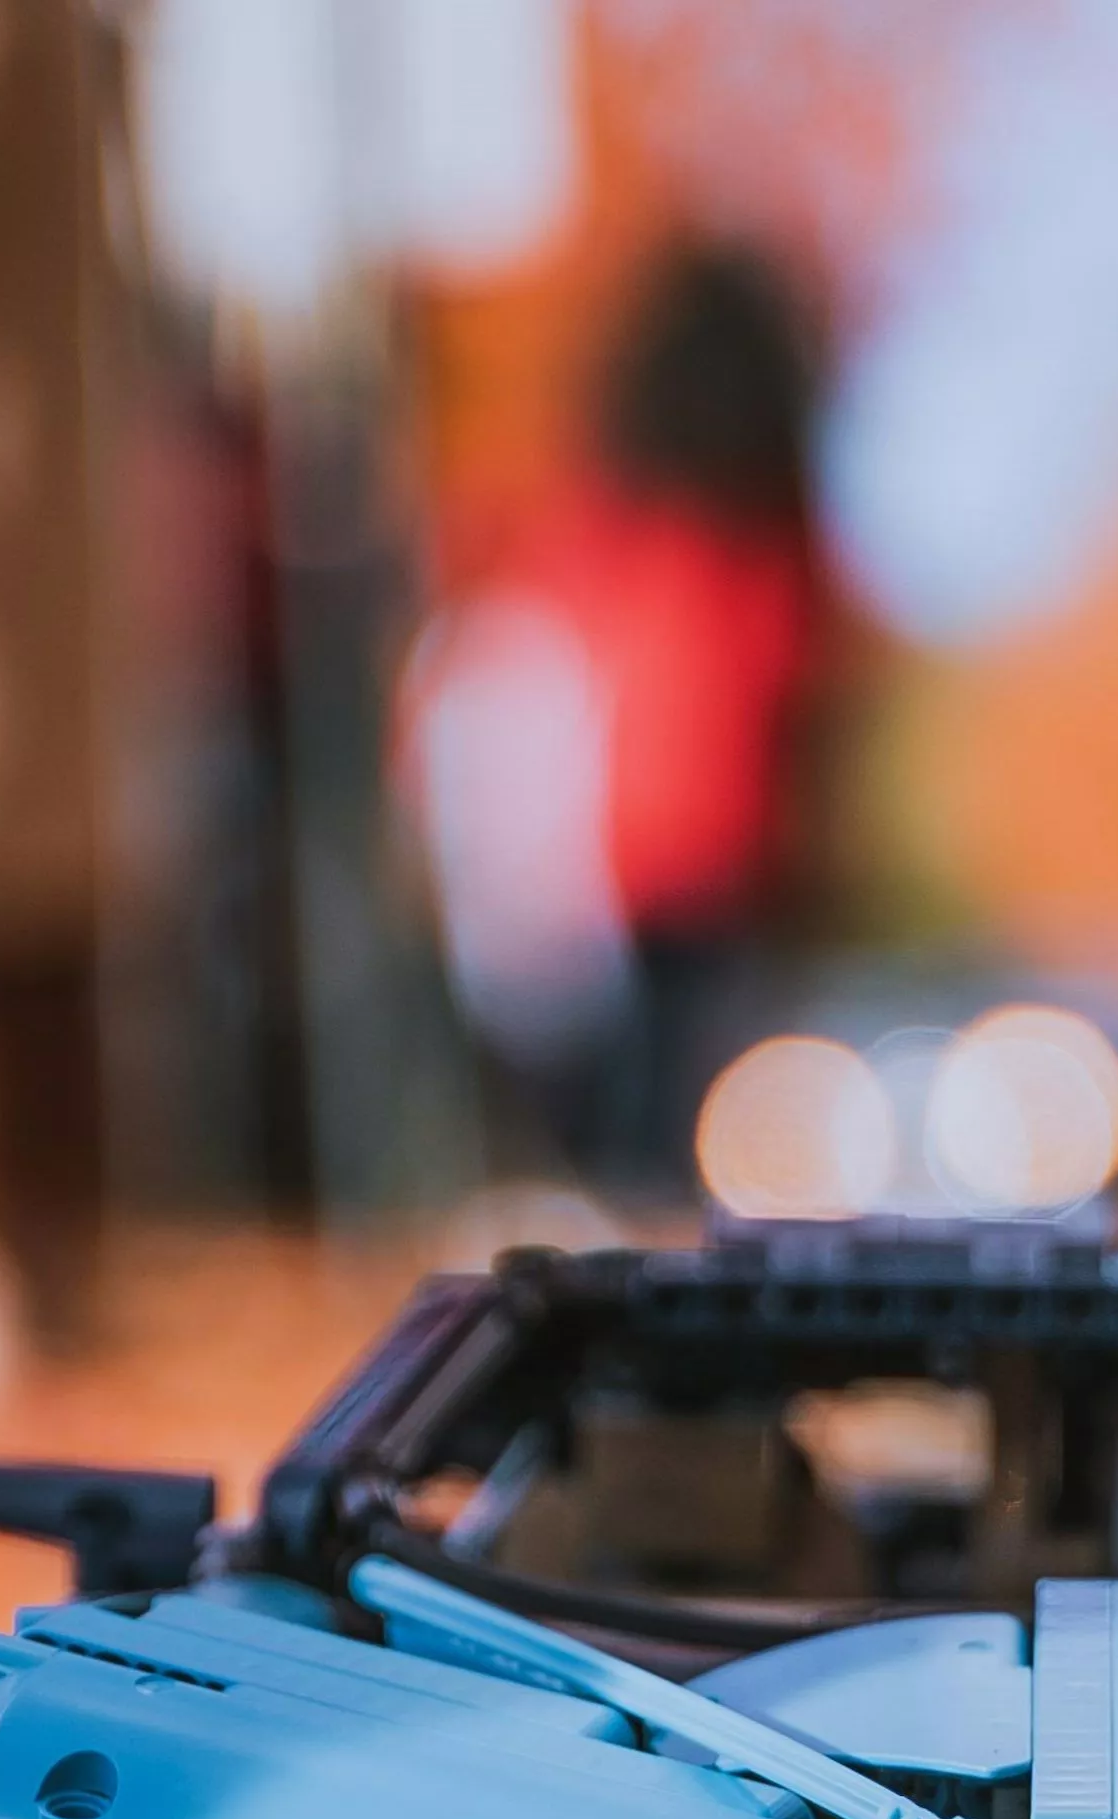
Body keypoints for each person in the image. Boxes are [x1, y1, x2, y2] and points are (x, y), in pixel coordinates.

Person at [401, 243, 832, 1193]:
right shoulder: (755, 553)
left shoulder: (589, 536)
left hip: (591, 896)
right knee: (665, 1156)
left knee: (605, 1158)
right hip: (682, 889)